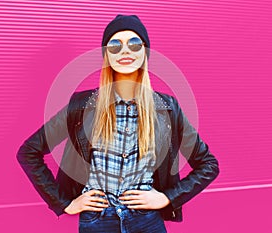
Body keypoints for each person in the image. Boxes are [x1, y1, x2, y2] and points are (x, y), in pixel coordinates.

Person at [17, 14, 219, 233]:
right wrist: (64, 203)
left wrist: (167, 198)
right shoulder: (81, 106)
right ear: (106, 55)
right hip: (97, 222)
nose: (125, 51)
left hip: (147, 222)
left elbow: (208, 164)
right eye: (115, 45)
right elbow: (29, 151)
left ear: (145, 52)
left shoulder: (167, 109)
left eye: (134, 44)